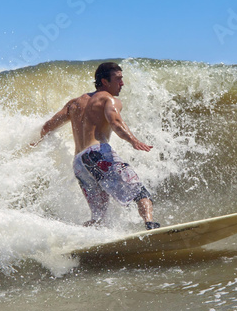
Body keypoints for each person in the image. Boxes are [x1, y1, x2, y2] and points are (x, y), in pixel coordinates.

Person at [31, 62, 159, 230]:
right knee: (140, 193)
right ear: (105, 81)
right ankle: (150, 225)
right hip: (97, 154)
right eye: (118, 79)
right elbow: (115, 122)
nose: (122, 83)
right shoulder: (109, 100)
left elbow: (47, 127)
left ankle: (81, 238)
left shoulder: (74, 103)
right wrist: (133, 140)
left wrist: (36, 144)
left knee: (100, 218)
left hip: (79, 163)